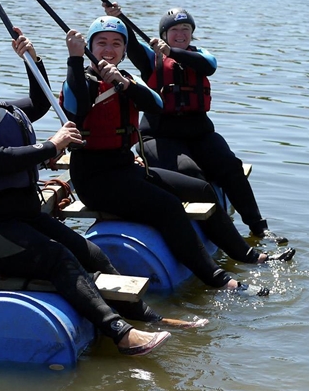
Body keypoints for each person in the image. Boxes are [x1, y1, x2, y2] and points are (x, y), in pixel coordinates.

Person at [0, 33, 186, 358]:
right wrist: (53, 145)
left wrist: (32, 59)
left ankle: (145, 316)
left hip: (20, 215)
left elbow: (39, 101)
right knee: (57, 258)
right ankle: (120, 334)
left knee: (89, 252)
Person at [60, 17, 293, 296]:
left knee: (201, 189)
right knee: (168, 206)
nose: (109, 49)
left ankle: (248, 255)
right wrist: (74, 59)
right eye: (101, 43)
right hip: (95, 179)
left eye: (116, 44)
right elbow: (76, 106)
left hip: (126, 168)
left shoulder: (129, 80)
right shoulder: (80, 80)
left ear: (124, 51)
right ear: (90, 46)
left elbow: (156, 105)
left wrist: (125, 84)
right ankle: (220, 281)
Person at [114, 4, 286, 245]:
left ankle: (258, 228)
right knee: (190, 174)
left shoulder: (202, 55)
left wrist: (173, 53)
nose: (181, 33)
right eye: (174, 29)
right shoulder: (151, 57)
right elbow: (130, 43)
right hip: (159, 136)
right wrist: (118, 16)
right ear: (164, 35)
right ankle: (218, 236)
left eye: (186, 28)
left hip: (199, 132)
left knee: (230, 166)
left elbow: (209, 66)